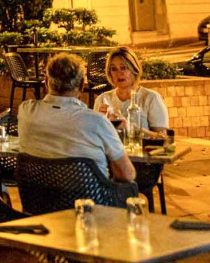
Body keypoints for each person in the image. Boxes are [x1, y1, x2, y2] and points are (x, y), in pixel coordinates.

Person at [18, 52, 136, 182]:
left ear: (46, 81)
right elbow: (127, 174)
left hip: (38, 199)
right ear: (81, 85)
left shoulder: (25, 111)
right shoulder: (97, 122)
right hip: (90, 200)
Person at [93, 47, 169, 135]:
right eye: (114, 69)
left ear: (134, 70)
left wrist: (129, 128)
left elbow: (163, 138)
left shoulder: (151, 98)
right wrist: (99, 123)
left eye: (124, 68)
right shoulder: (102, 99)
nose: (119, 73)